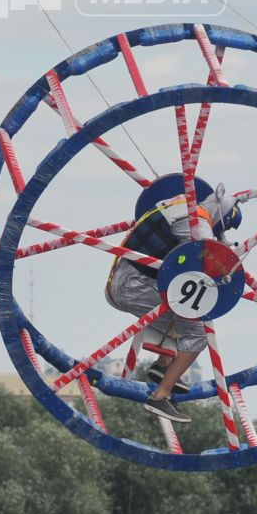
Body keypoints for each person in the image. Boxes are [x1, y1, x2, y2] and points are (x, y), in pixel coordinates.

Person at [106, 179, 241, 422]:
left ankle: (162, 366)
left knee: (183, 310)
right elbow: (206, 264)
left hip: (125, 282)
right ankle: (160, 396)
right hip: (132, 287)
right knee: (198, 333)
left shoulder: (181, 206)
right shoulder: (197, 224)